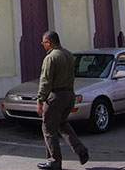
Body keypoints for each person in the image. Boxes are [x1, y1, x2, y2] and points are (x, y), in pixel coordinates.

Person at [35, 31, 90, 170]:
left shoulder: (51, 57)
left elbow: (45, 81)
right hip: (70, 95)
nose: (43, 46)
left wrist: (40, 101)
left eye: (44, 43)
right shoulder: (69, 55)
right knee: (62, 124)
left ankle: (54, 161)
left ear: (49, 42)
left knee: (48, 128)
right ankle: (80, 149)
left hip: (56, 96)